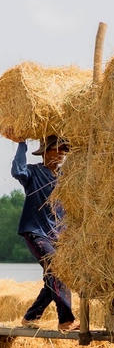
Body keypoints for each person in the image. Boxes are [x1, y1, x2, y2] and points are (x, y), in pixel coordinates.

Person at [11, 136, 75, 330]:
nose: (62, 153)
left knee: (52, 277)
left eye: (65, 149)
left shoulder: (67, 178)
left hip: (58, 236)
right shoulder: (33, 172)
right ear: (45, 153)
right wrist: (21, 143)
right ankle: (66, 320)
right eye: (58, 149)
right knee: (57, 270)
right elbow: (17, 170)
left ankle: (31, 317)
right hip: (36, 232)